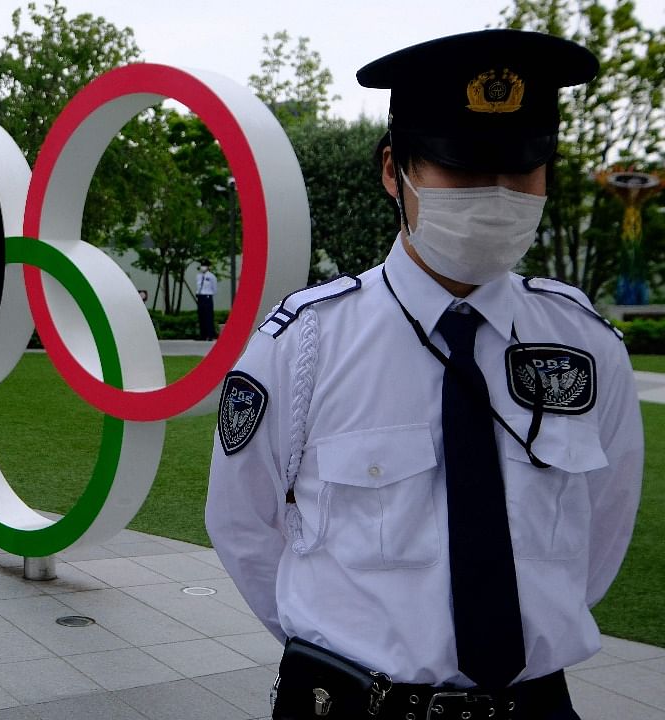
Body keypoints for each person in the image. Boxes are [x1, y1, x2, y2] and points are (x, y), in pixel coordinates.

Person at [206, 30, 642, 720]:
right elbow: (242, 525)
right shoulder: (303, 345)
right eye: (462, 168)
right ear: (394, 171)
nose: (497, 195)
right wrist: (340, 650)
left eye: (521, 168)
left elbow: (603, 529)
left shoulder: (584, 348)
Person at [195, 261, 217, 340]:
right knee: (201, 316)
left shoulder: (211, 276)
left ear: (208, 267)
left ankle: (210, 335)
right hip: (200, 297)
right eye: (202, 265)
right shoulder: (198, 276)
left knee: (208, 316)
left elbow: (214, 289)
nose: (202, 267)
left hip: (207, 297)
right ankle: (203, 335)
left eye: (204, 265)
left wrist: (209, 295)